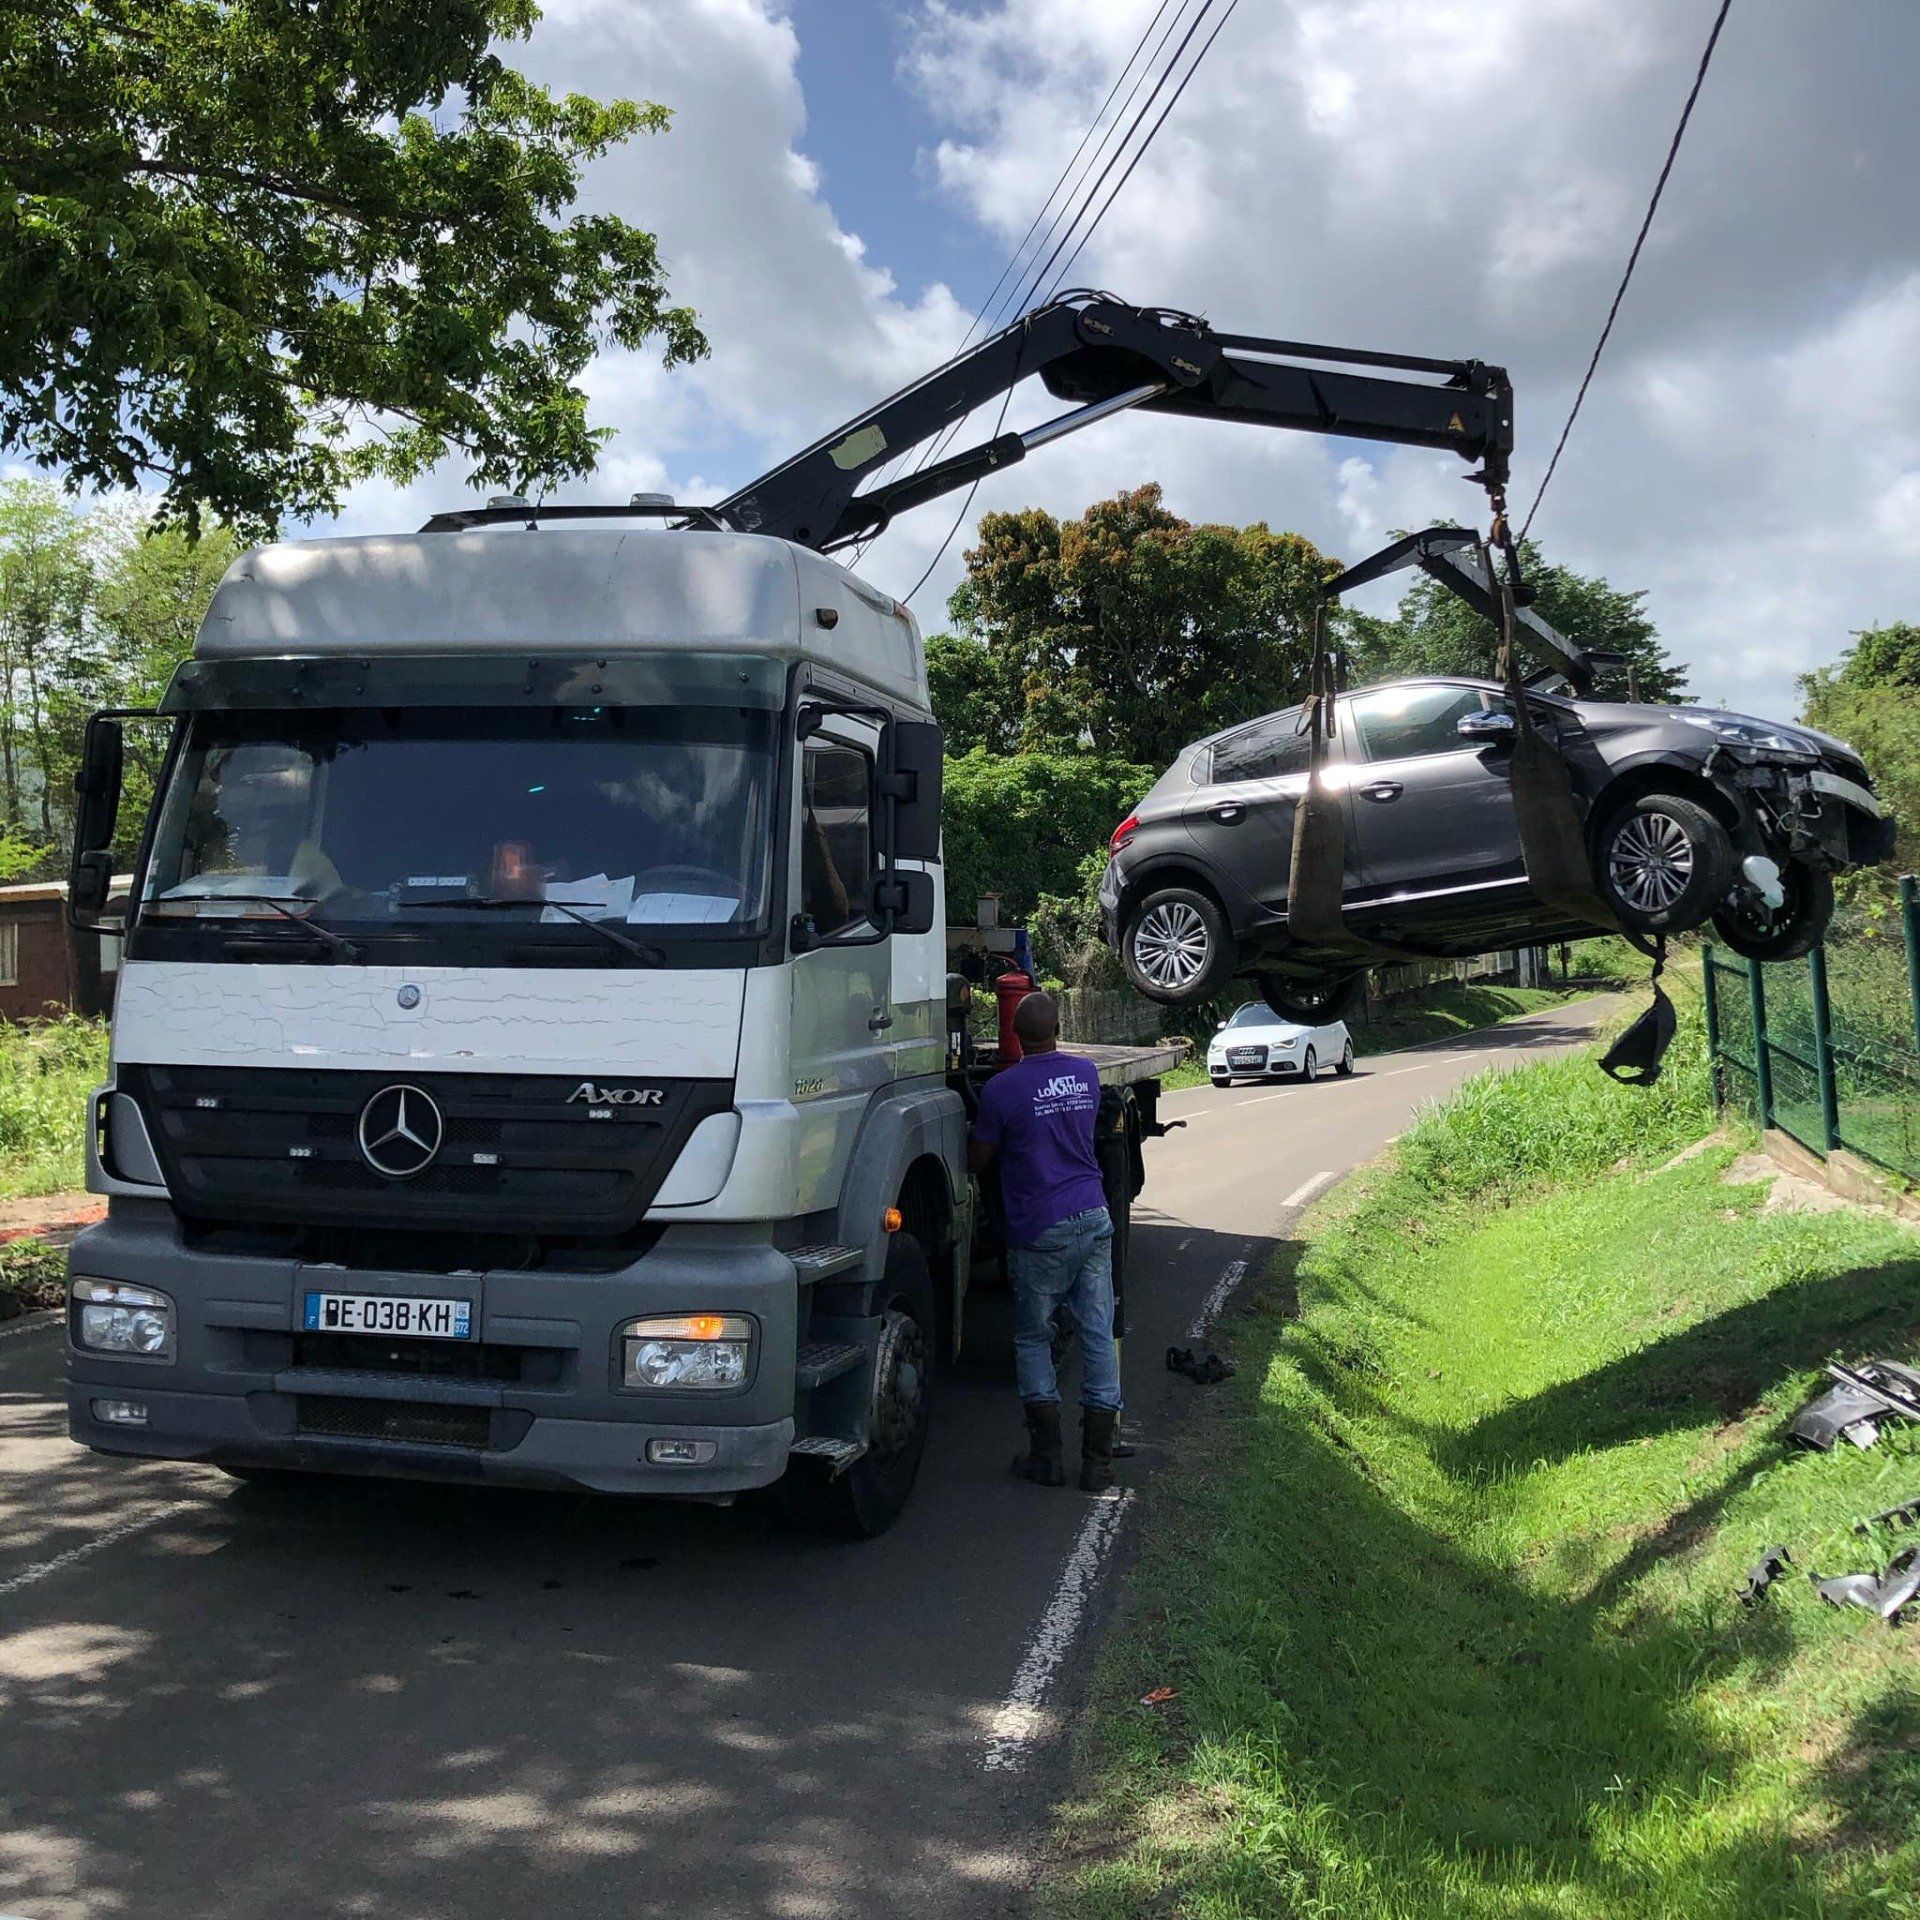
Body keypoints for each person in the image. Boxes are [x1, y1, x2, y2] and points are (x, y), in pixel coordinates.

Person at [968, 990, 1121, 1492]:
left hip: (1040, 1228)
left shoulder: (1000, 1090)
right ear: (1057, 1028)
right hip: (1093, 1215)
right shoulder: (1086, 1075)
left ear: (1014, 1034)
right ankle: (1098, 1463)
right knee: (1098, 1333)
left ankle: (1047, 1457)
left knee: (1034, 1337)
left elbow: (979, 1160)